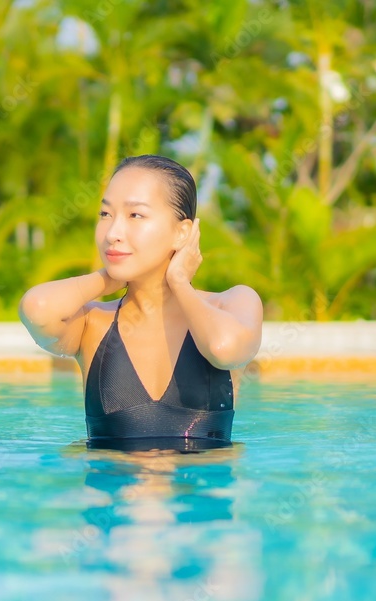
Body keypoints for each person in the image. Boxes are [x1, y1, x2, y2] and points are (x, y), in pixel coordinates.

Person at [18, 155, 263, 452]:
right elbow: (37, 309)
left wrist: (180, 282)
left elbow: (225, 350)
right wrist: (108, 279)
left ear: (182, 233)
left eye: (135, 215)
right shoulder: (92, 324)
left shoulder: (231, 303)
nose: (113, 234)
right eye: (106, 214)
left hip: (197, 493)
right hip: (112, 490)